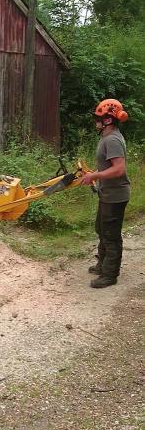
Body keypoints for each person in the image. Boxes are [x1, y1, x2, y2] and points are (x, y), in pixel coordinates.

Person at [81, 99, 130, 288]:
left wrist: (96, 175)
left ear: (108, 120)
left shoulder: (113, 140)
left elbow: (119, 170)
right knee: (101, 229)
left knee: (111, 235)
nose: (96, 121)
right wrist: (95, 174)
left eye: (98, 118)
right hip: (107, 193)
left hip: (116, 196)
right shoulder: (107, 137)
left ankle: (110, 275)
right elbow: (108, 166)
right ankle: (102, 264)